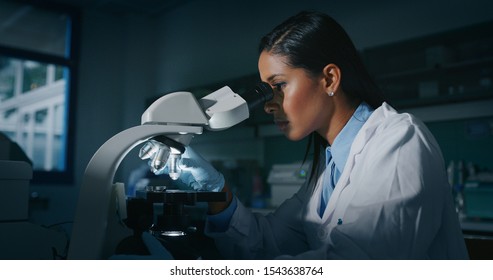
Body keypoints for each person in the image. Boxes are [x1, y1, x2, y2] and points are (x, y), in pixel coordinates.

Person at [141, 10, 468, 259]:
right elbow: (266, 240)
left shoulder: (399, 142)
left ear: (328, 79)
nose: (269, 105)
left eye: (279, 86)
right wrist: (215, 189)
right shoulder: (329, 173)